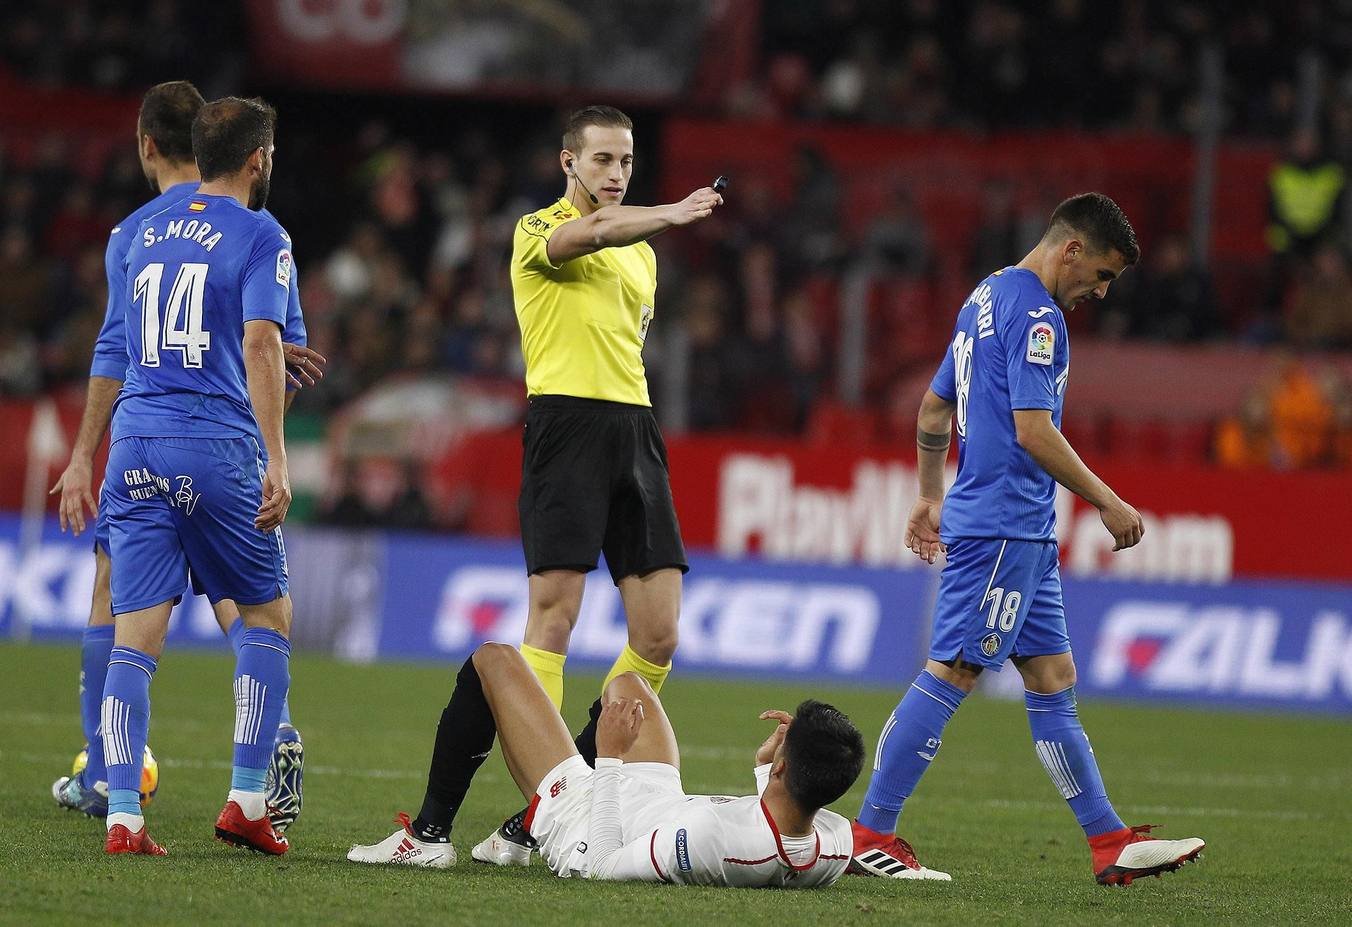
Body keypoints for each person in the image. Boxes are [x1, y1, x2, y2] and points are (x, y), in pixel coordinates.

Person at [848, 193, 1205, 886]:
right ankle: (871, 831)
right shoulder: (1039, 314)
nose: (1100, 292)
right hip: (1005, 526)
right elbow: (1032, 428)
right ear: (1071, 248)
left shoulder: (984, 297)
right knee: (953, 669)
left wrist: (928, 492)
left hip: (1023, 532)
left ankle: (1108, 840)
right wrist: (1108, 500)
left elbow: (932, 405)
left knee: (1052, 678)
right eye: (1101, 274)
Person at [47, 81, 316, 838]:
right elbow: (264, 342)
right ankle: (248, 799)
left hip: (134, 445)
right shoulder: (265, 235)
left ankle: (123, 811)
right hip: (217, 444)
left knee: (134, 634)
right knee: (266, 613)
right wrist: (277, 457)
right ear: (257, 159)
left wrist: (84, 455)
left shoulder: (136, 230)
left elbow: (114, 344)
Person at [469, 105, 723, 866]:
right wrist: (671, 212)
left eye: (627, 161)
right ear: (568, 163)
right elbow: (594, 233)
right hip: (566, 426)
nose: (616, 174)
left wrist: (656, 222)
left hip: (635, 430)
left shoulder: (643, 253)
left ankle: (578, 768)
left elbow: (623, 257)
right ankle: (543, 800)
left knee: (658, 633)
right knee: (555, 616)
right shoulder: (538, 231)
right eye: (603, 160)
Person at [348, 642, 862, 889]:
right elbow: (776, 831)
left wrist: (609, 755)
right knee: (630, 685)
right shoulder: (834, 841)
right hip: (661, 800)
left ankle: (428, 837)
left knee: (494, 660)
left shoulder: (703, 839)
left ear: (783, 770)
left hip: (590, 819)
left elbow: (596, 865)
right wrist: (761, 769)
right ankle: (511, 836)